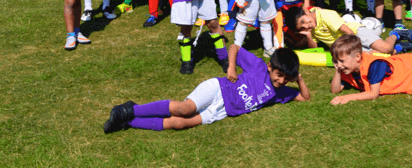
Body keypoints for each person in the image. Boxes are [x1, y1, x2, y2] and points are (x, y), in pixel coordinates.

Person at [103, 45, 309, 133]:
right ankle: (129, 109)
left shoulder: (281, 92)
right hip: (219, 89)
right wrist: (230, 66)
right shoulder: (258, 66)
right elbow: (235, 47)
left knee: (180, 124)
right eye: (279, 75)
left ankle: (129, 121)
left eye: (286, 78)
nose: (281, 81)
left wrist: (298, 79)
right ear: (270, 67)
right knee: (184, 109)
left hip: (222, 111)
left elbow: (305, 99)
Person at [286, 6, 412, 55]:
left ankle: (396, 34)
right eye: (302, 28)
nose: (306, 26)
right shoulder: (311, 29)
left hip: (357, 33)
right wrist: (308, 35)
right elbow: (314, 47)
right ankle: (402, 47)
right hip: (346, 46)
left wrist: (348, 48)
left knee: (386, 49)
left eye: (304, 21)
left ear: (305, 11)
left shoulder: (325, 15)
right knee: (384, 56)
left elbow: (349, 32)